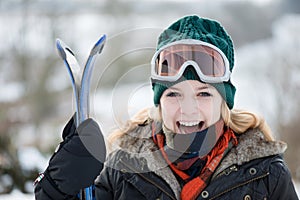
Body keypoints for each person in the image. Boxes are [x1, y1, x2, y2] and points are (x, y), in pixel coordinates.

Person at [34, 15, 299, 200]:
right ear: (158, 103)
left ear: (224, 102)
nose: (188, 109)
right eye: (173, 95)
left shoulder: (266, 174)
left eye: (204, 94)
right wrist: (58, 189)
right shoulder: (123, 171)